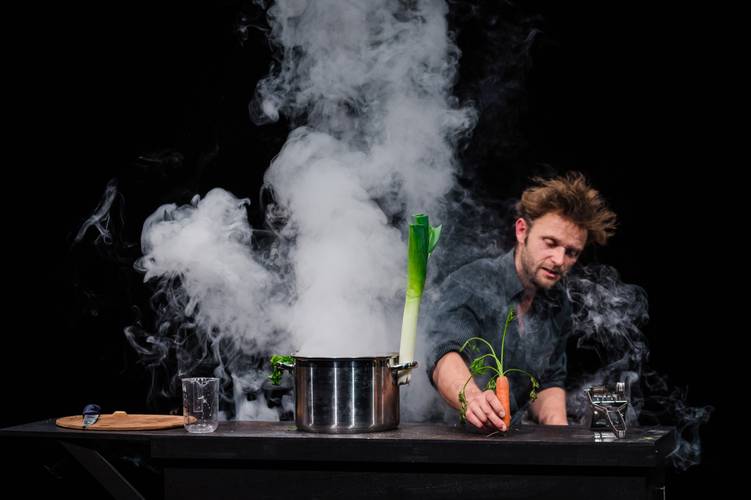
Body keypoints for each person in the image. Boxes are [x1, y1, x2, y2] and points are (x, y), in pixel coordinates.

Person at [428, 172, 617, 431]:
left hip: (509, 441)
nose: (559, 260)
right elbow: (443, 354)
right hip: (446, 438)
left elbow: (548, 382)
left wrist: (559, 433)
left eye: (571, 252)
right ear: (522, 231)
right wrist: (471, 397)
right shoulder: (473, 282)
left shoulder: (558, 304)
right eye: (550, 243)